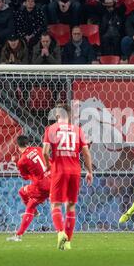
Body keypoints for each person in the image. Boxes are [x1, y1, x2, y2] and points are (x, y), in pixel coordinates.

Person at [42, 103, 93, 250]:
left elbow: (45, 152)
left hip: (59, 171)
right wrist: (89, 171)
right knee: (70, 206)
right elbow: (86, 153)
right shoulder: (77, 130)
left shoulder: (50, 129)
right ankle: (68, 243)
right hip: (75, 171)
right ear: (69, 116)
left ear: (57, 115)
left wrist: (47, 166)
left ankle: (60, 233)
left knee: (55, 204)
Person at [7, 135, 51, 241]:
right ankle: (18, 235)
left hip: (42, 186)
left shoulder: (22, 161)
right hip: (54, 180)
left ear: (17, 146)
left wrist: (15, 163)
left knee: (22, 192)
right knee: (31, 205)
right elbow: (50, 160)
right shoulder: (39, 149)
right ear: (28, 143)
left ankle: (33, 213)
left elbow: (25, 177)